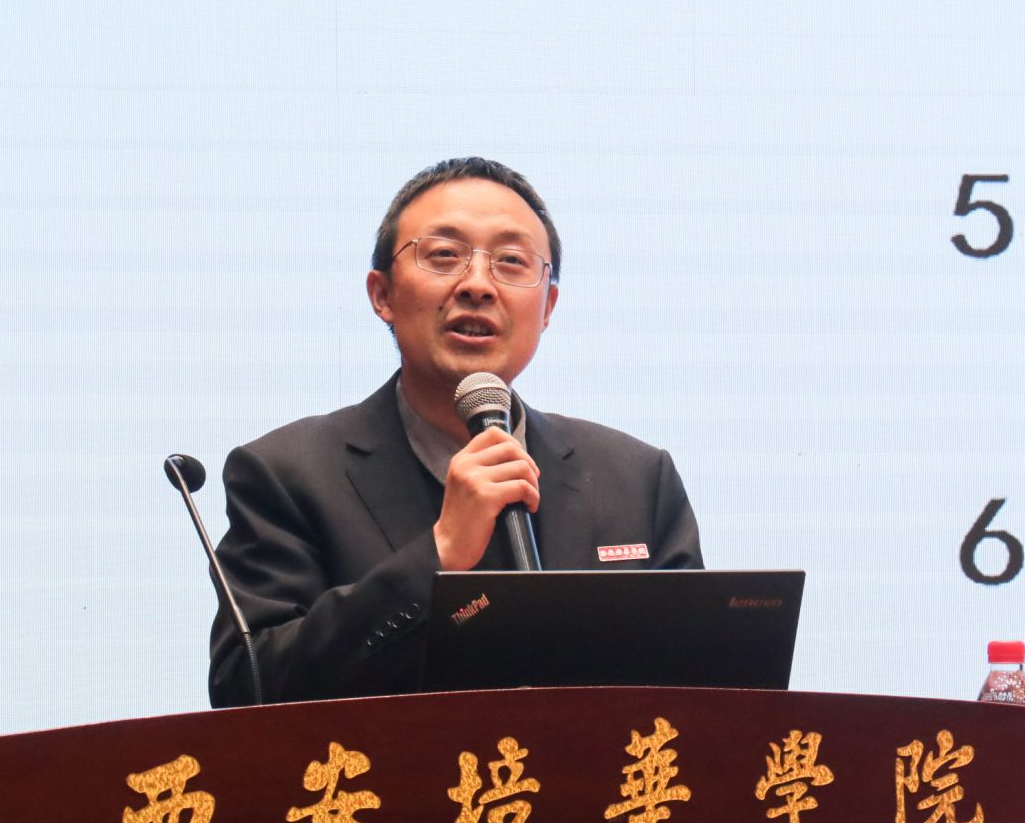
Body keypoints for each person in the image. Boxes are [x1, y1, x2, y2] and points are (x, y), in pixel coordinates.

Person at [207, 157, 702, 707]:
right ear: (382, 294)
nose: (478, 285)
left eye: (511, 261)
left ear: (548, 307)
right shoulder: (287, 475)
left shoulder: (637, 480)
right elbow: (248, 687)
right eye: (444, 255)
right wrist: (437, 555)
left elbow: (707, 691)